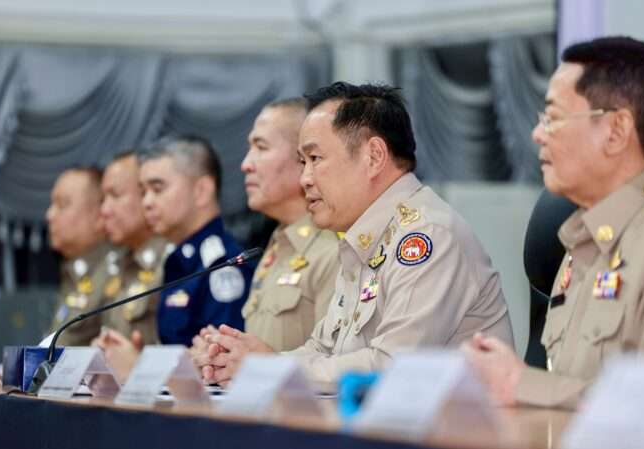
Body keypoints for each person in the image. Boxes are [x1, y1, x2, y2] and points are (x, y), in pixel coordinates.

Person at [196, 82, 513, 386]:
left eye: (315, 159)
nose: (305, 178)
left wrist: (273, 368)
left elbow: (394, 366)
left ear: (374, 157)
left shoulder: (426, 236)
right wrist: (250, 360)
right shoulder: (365, 240)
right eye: (302, 162)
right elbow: (323, 350)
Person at [462, 36, 644, 409]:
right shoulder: (581, 241)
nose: (537, 134)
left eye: (554, 118)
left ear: (616, 131)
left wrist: (520, 383)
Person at [192, 98, 340, 355]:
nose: (245, 164)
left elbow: (335, 364)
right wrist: (224, 355)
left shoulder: (334, 250)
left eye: (261, 147)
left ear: (303, 158)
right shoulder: (274, 247)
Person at [139, 136, 253, 346]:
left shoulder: (222, 264)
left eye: (157, 188)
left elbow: (221, 357)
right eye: (143, 192)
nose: (146, 202)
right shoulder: (179, 258)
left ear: (201, 191)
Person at [98, 151, 169, 346]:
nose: (104, 210)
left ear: (145, 195)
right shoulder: (118, 263)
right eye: (103, 198)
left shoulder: (172, 262)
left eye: (115, 195)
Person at [46, 167, 111, 346]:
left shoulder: (113, 274)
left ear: (100, 214)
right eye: (52, 205)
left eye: (62, 205)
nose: (50, 215)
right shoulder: (73, 271)